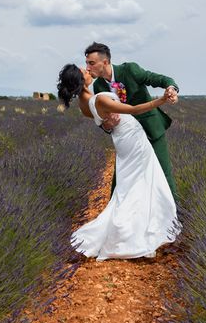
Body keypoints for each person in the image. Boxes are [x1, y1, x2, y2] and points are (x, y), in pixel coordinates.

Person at [57, 64, 180, 260]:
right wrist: (161, 100)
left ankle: (143, 226)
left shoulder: (84, 103)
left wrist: (107, 122)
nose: (88, 70)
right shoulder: (98, 97)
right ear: (81, 80)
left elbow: (102, 119)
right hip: (133, 141)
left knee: (131, 184)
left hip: (123, 140)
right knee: (145, 181)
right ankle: (133, 231)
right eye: (85, 72)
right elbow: (133, 109)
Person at [84, 42, 179, 200]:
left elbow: (159, 79)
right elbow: (103, 120)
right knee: (120, 179)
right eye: (86, 63)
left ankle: (177, 215)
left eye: (91, 63)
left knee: (163, 172)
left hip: (150, 130)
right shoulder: (99, 87)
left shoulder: (129, 70)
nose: (87, 68)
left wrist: (171, 88)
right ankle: (117, 217)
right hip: (127, 137)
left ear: (105, 62)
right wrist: (108, 126)